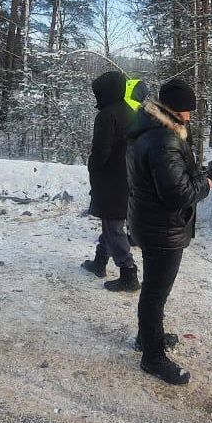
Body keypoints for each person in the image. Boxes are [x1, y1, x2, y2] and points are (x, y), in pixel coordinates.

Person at [126, 79, 212, 385]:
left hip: (149, 223)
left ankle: (147, 337)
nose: (190, 117)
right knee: (155, 293)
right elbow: (177, 194)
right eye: (188, 110)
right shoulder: (164, 140)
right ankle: (152, 356)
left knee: (152, 290)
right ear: (176, 110)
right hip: (162, 228)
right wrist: (207, 183)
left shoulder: (148, 130)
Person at [81, 70, 140, 292]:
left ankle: (128, 272)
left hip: (111, 179)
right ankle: (100, 261)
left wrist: (93, 168)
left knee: (113, 226)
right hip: (129, 178)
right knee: (111, 223)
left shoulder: (107, 115)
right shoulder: (130, 111)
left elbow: (101, 151)